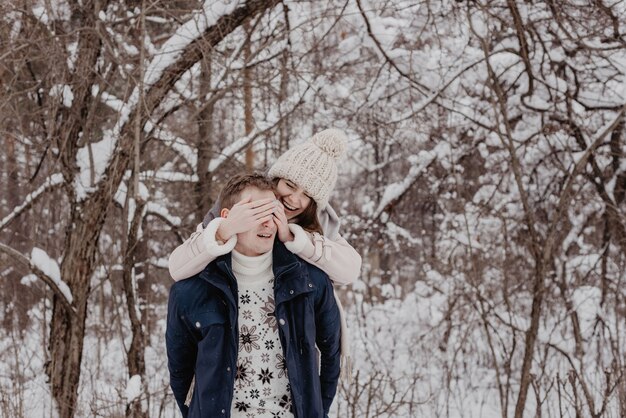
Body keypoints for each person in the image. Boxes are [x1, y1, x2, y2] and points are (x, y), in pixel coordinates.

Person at [166, 174, 341, 418]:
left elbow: (331, 353)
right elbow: (180, 374)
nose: (267, 224)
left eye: (272, 213)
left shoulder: (310, 282)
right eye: (256, 214)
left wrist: (317, 411)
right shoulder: (191, 291)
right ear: (228, 218)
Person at [167, 128, 361, 286]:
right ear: (275, 179)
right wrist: (223, 231)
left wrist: (294, 238)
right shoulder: (244, 199)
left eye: (307, 195)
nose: (294, 199)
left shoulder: (321, 221)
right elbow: (177, 268)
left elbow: (349, 272)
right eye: (290, 186)